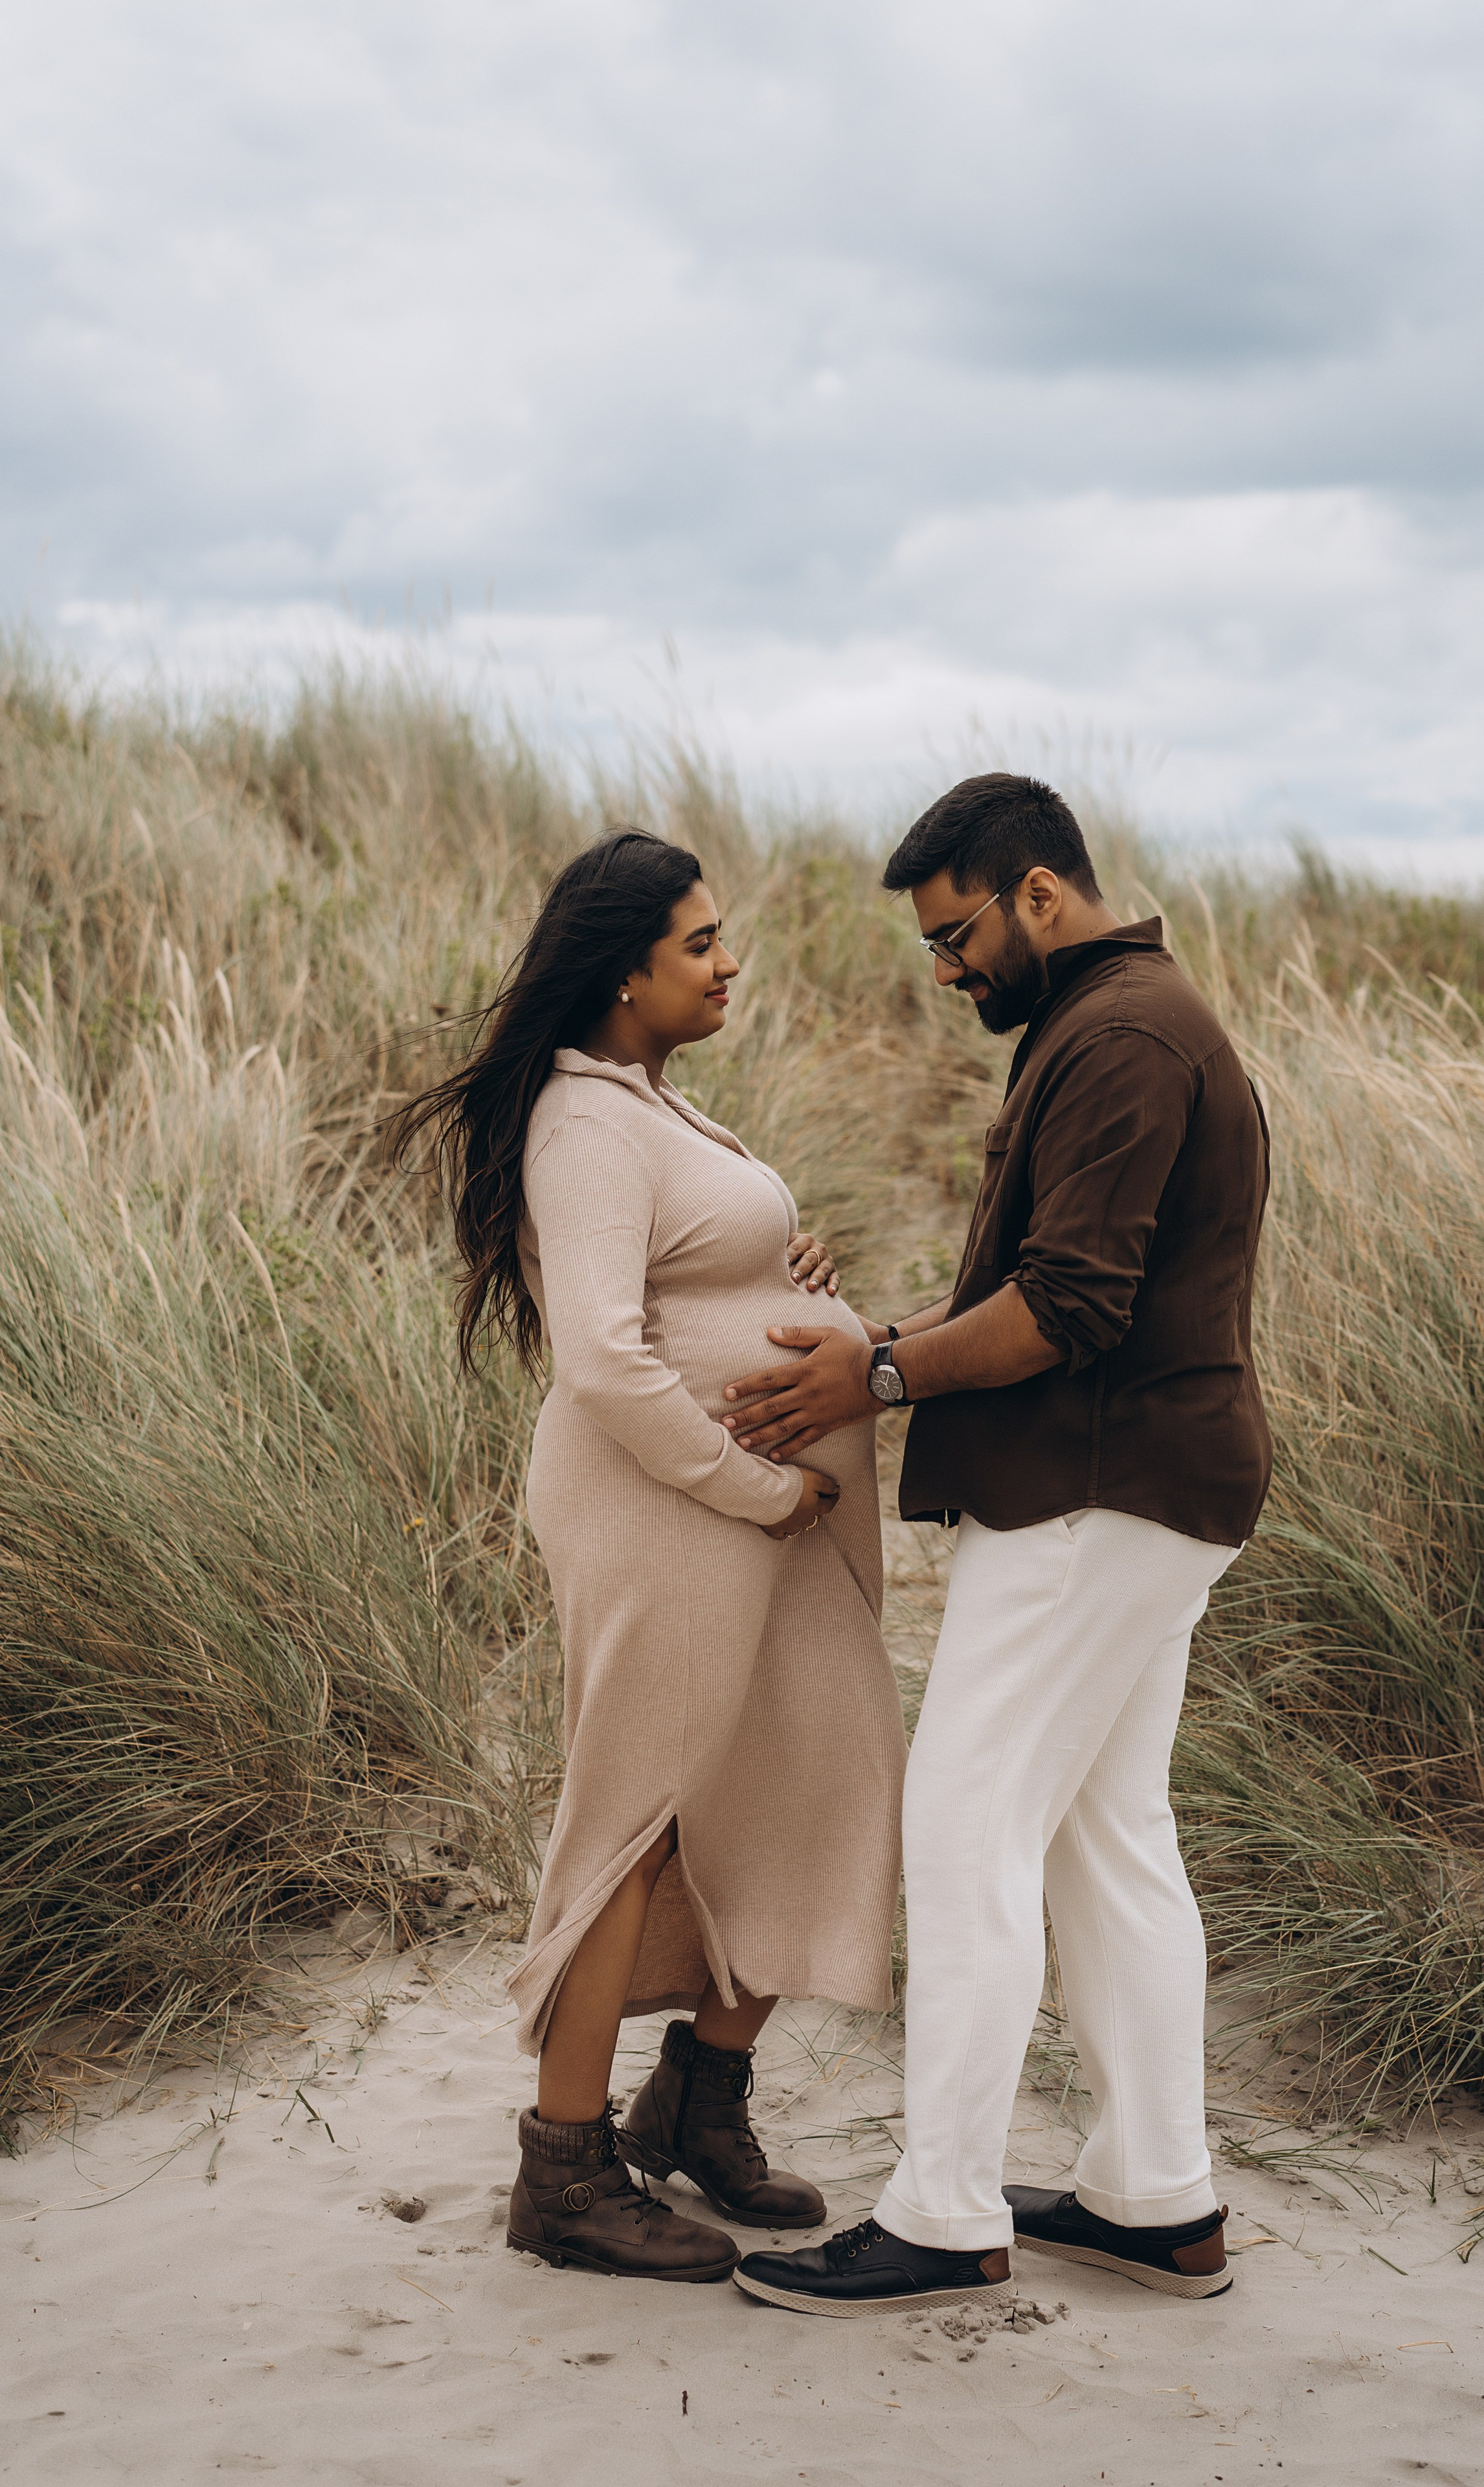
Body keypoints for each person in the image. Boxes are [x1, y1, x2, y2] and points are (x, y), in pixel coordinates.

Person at [714, 773, 1272, 2319]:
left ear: (1039, 893)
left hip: (1094, 1496)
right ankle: (1155, 2198)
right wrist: (891, 1348)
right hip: (1143, 1488)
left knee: (966, 1830)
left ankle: (943, 2213)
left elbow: (1071, 1304)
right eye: (930, 947)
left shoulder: (1122, 1038)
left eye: (956, 934)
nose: (946, 967)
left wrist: (876, 1372)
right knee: (1108, 1838)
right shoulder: (1116, 1023)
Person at [396, 829, 905, 2287]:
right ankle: (562, 2171)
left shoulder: (645, 1107)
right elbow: (607, 1365)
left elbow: (691, 1280)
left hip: (749, 1515)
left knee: (821, 1765)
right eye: (700, 943)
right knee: (638, 1809)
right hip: (668, 1508)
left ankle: (694, 2100)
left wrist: (786, 1275)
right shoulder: (583, 1122)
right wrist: (751, 1487)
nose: (728, 961)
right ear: (624, 973)